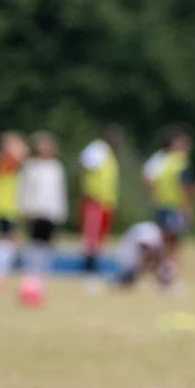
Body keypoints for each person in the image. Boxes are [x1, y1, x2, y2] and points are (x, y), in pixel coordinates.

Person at [18, 132, 68, 282]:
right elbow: (25, 189)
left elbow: (59, 191)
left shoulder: (56, 167)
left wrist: (61, 211)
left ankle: (44, 271)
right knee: (35, 242)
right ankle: (32, 270)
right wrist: (25, 208)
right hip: (35, 210)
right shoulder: (32, 167)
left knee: (48, 243)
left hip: (51, 211)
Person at [78, 124, 122, 292]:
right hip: (96, 201)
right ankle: (89, 273)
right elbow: (85, 167)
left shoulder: (108, 154)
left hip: (105, 202)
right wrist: (88, 191)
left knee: (100, 240)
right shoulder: (98, 150)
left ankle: (95, 272)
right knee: (92, 239)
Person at [0, 131, 29, 289]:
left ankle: (0, 272)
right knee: (8, 240)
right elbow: (18, 161)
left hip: (9, 207)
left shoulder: (2, 160)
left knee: (9, 240)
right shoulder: (4, 160)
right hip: (5, 207)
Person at [112, 220, 173, 290]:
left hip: (127, 263)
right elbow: (144, 249)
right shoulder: (152, 231)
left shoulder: (156, 234)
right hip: (124, 264)